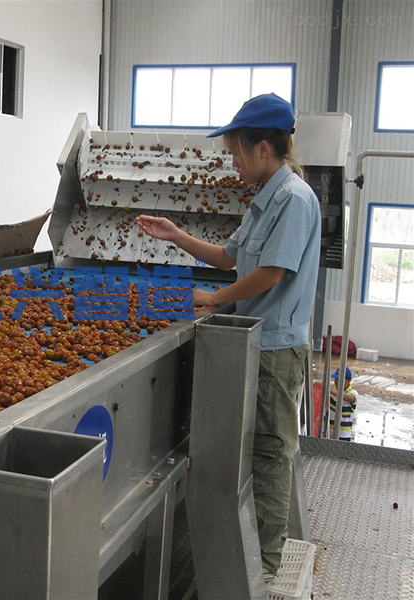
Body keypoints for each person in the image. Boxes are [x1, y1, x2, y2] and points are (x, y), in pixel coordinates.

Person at [136, 93, 321, 581]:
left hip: (276, 348)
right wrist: (175, 235)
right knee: (255, 447)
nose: (232, 162)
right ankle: (253, 548)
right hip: (253, 343)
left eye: (236, 151)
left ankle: (267, 563)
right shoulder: (264, 201)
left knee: (270, 452)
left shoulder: (294, 199)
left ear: (263, 148)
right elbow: (229, 258)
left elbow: (272, 273)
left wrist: (213, 299)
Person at [329, 367, 359, 441]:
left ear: (348, 380)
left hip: (343, 435)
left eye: (339, 379)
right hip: (328, 431)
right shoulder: (332, 387)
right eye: (336, 379)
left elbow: (349, 398)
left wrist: (331, 391)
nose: (336, 381)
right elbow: (321, 383)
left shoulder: (353, 393)